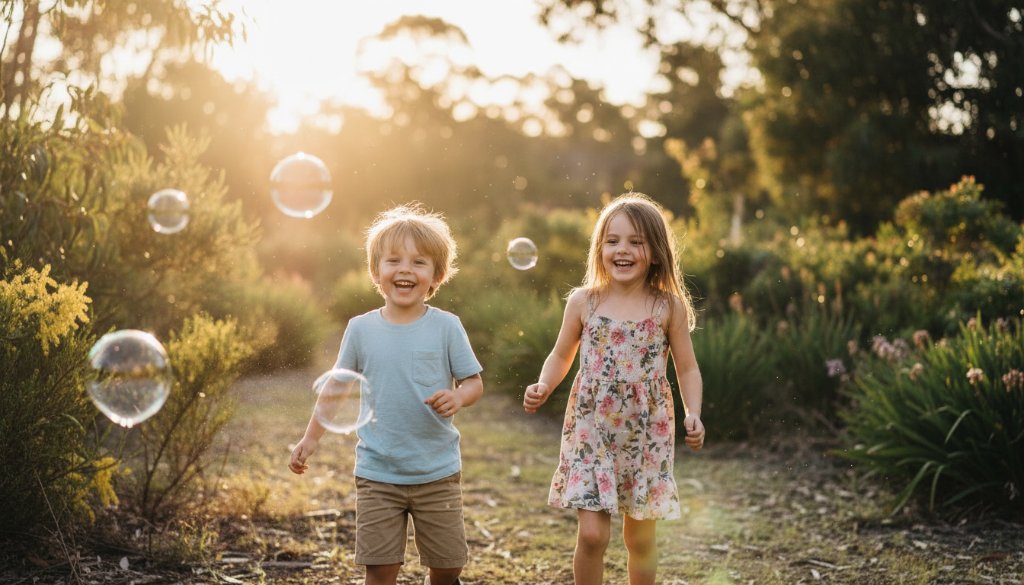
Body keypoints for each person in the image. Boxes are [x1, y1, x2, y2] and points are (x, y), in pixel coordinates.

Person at [290, 204, 483, 585]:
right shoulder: (360, 329)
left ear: (437, 275)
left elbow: (474, 382)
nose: (405, 269)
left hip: (437, 471)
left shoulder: (446, 326)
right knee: (380, 569)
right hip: (378, 471)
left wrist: (459, 397)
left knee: (447, 567)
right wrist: (311, 438)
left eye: (419, 262)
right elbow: (336, 385)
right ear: (377, 273)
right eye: (393, 260)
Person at [523, 192, 705, 585]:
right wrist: (543, 384)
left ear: (655, 252)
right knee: (592, 534)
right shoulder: (584, 301)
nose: (622, 250)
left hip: (645, 434)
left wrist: (693, 413)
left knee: (639, 538)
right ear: (600, 248)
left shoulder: (667, 307)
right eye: (613, 240)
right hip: (592, 430)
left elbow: (687, 368)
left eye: (636, 242)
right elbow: (560, 355)